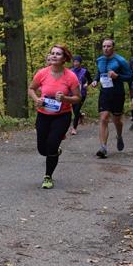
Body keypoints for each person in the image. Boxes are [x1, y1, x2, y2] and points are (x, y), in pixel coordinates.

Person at [28, 44, 81, 189]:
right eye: (52, 53)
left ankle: (48, 176)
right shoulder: (42, 73)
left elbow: (78, 98)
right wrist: (37, 99)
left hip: (62, 116)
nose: (54, 56)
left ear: (64, 58)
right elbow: (31, 89)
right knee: (42, 149)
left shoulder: (70, 76)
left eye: (58, 54)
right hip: (43, 115)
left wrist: (65, 98)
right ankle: (55, 152)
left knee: (51, 145)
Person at [91, 39, 131, 159]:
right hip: (105, 93)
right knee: (103, 118)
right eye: (104, 46)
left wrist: (117, 76)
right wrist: (95, 80)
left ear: (113, 47)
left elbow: (130, 77)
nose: (106, 48)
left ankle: (119, 136)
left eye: (108, 46)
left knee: (116, 120)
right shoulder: (99, 60)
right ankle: (103, 147)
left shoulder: (121, 60)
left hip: (117, 94)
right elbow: (99, 72)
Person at [69, 55, 93, 135]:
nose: (76, 63)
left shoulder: (85, 71)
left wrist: (86, 84)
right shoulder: (70, 71)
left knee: (76, 110)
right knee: (75, 110)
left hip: (82, 93)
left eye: (77, 62)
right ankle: (80, 115)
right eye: (74, 62)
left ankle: (74, 128)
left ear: (80, 63)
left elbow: (90, 80)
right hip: (72, 94)